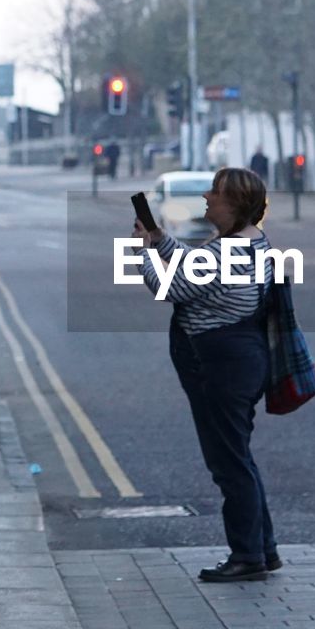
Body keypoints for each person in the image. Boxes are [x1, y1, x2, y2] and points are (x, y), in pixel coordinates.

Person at [133, 166, 280, 583]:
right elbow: (193, 265)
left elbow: (170, 289)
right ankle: (263, 550)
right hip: (240, 360)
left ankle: (247, 555)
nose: (206, 198)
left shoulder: (227, 251)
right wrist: (161, 240)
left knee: (228, 463)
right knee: (239, 458)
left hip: (223, 366)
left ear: (235, 203)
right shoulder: (249, 242)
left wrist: (142, 251)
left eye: (215, 193)